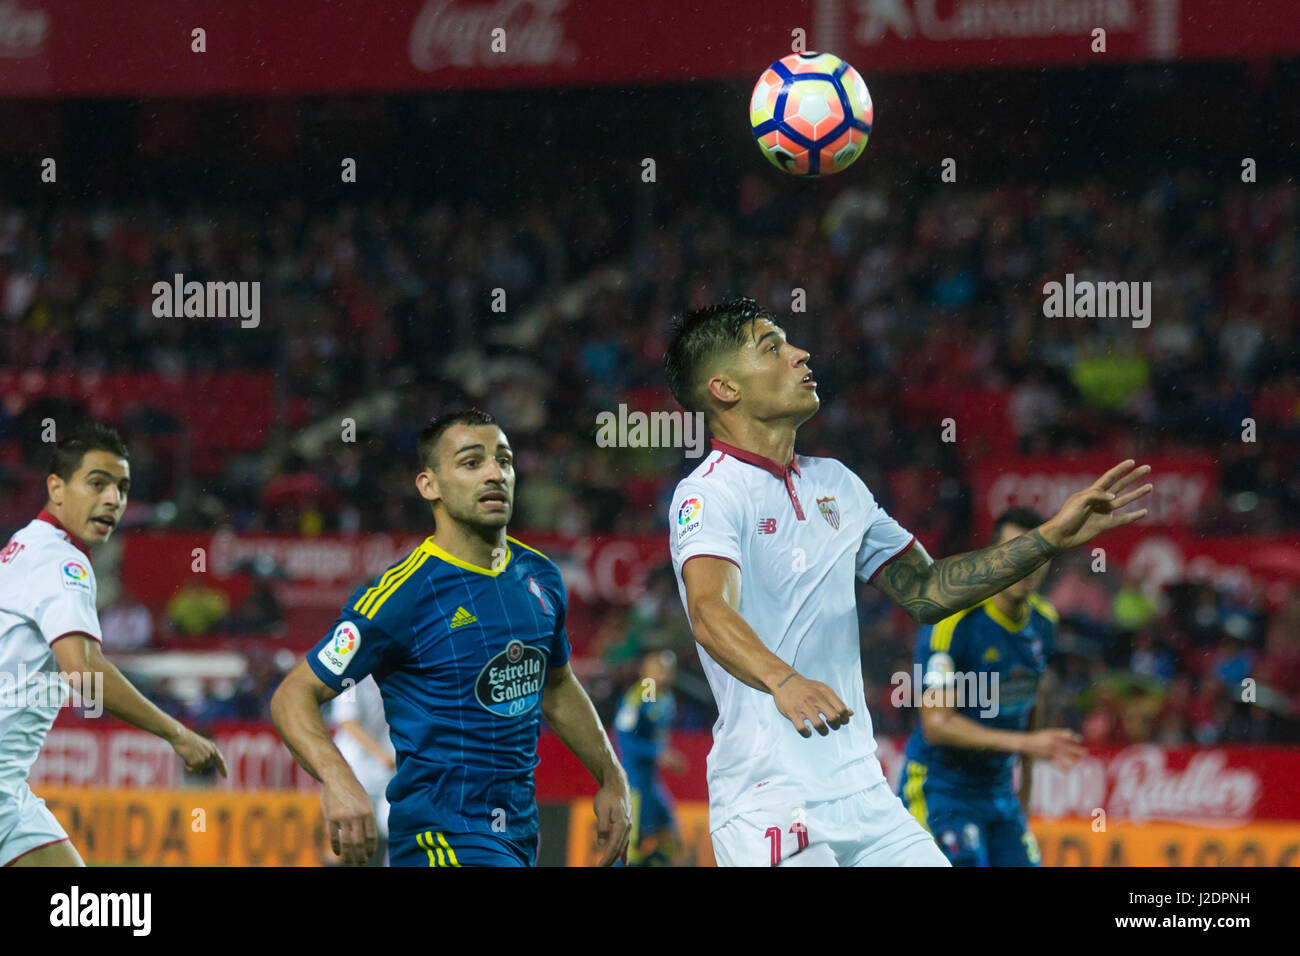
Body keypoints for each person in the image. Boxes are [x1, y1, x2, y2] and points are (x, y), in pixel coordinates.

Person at [662, 298, 1152, 867]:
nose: (800, 354)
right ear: (725, 388)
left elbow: (927, 590)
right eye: (772, 347)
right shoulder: (708, 494)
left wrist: (1049, 538)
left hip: (864, 792)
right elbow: (708, 611)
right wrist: (784, 680)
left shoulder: (838, 484)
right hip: (768, 795)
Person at [271, 409, 631, 867]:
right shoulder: (401, 596)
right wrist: (338, 780)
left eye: (504, 460)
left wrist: (611, 777)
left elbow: (556, 686)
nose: (495, 473)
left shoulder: (541, 577)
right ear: (429, 485)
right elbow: (293, 693)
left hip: (518, 836)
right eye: (471, 462)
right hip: (440, 839)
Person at [0, 422, 226, 867]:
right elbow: (83, 673)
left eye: (121, 488)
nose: (112, 499)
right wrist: (176, 732)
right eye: (97, 483)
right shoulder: (62, 561)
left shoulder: (23, 544)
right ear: (56, 488)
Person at [897, 506, 1085, 866]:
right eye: (1014, 550)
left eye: (1035, 551)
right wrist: (1028, 744)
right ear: (993, 558)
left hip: (1000, 801)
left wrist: (1023, 805)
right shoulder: (954, 620)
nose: (1024, 562)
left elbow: (1032, 704)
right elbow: (937, 725)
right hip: (941, 793)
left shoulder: (1045, 622)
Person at [613, 649, 686, 866]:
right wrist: (658, 753)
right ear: (644, 669)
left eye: (667, 667)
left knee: (670, 839)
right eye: (658, 666)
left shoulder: (665, 698)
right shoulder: (643, 694)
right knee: (631, 848)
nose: (664, 671)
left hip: (651, 783)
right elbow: (624, 741)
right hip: (634, 783)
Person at [327, 675, 395, 866]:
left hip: (389, 772)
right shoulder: (351, 679)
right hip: (354, 770)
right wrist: (380, 754)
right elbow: (348, 722)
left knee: (391, 827)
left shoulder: (397, 673)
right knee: (348, 838)